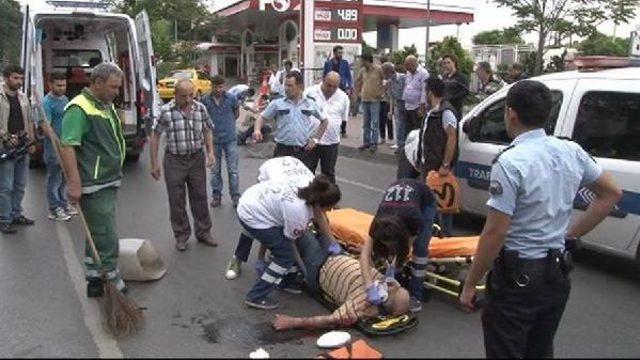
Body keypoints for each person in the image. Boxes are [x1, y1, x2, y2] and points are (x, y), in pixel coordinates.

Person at [459, 80, 622, 358]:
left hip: (516, 280)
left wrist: (471, 283)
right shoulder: (571, 151)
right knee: (540, 350)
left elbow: (495, 233)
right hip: (556, 275)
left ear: (511, 113)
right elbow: (611, 193)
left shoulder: (510, 162)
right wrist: (570, 234)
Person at [59, 63, 126, 296]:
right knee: (106, 233)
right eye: (113, 87)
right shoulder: (79, 108)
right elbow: (68, 146)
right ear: (97, 83)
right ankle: (112, 280)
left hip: (106, 178)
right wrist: (74, 184)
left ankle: (95, 279)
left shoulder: (103, 104)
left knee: (96, 231)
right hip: (94, 181)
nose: (117, 92)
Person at [237, 175, 341, 310]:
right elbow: (291, 243)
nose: (330, 211)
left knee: (287, 253)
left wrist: (334, 244)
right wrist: (304, 270)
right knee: (285, 257)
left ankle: (286, 281)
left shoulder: (311, 190)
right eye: (329, 208)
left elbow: (320, 217)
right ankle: (256, 296)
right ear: (318, 204)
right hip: (252, 214)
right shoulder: (299, 214)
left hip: (257, 199)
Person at [272, 231, 410, 331]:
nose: (391, 284)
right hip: (338, 253)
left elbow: (331, 320)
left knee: (298, 231)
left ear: (384, 298)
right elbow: (372, 267)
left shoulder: (361, 306)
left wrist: (294, 322)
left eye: (392, 288)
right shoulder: (386, 283)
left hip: (318, 266)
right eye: (395, 286)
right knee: (322, 226)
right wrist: (364, 251)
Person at [149, 79, 217, 252]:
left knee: (200, 196)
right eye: (183, 96)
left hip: (196, 158)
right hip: (174, 160)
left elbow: (207, 130)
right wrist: (154, 163)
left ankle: (203, 232)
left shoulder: (200, 108)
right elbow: (155, 136)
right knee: (176, 200)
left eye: (191, 95)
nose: (188, 100)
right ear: (175, 95)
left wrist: (210, 152)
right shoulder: (166, 111)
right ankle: (181, 236)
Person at [225, 156, 314, 280]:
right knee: (258, 221)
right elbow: (277, 226)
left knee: (281, 225)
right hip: (269, 174)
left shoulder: (314, 189)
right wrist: (302, 266)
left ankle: (272, 257)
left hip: (289, 172)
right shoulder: (292, 195)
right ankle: (238, 258)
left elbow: (320, 217)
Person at [359, 179, 437, 313]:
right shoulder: (377, 223)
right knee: (392, 262)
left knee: (420, 249)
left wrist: (394, 265)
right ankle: (397, 280)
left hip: (425, 201)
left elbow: (405, 249)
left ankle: (416, 294)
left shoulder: (414, 220)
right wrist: (368, 286)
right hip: (398, 201)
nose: (388, 246)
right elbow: (364, 255)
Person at [252, 71, 328, 170]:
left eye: (290, 85)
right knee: (280, 182)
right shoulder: (277, 104)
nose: (286, 88)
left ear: (300, 86)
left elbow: (324, 121)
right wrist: (257, 130)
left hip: (303, 152)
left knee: (303, 184)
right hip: (282, 151)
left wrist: (315, 139)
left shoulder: (310, 103)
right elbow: (262, 117)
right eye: (285, 85)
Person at [417, 77, 458, 237]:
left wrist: (446, 164)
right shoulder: (432, 111)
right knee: (430, 204)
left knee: (444, 204)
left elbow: (452, 137)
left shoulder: (445, 112)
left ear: (430, 92)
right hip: (428, 164)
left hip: (438, 166)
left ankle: (445, 237)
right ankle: (433, 235)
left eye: (425, 91)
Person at [0, 65, 36, 235]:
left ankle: (16, 214)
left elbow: (29, 120)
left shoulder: (22, 97)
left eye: (21, 78)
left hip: (22, 146)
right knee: (6, 186)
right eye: (15, 78)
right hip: (5, 148)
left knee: (20, 184)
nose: (19, 82)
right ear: (6, 78)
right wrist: (7, 137)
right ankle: (4, 219)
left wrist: (31, 140)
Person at [41, 72, 77, 221]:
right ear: (50, 85)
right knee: (54, 179)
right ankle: (54, 209)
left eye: (64, 85)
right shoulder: (46, 103)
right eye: (59, 85)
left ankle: (63, 203)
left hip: (66, 145)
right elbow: (45, 126)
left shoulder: (65, 99)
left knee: (64, 178)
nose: (62, 88)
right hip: (53, 147)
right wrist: (57, 142)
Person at [303, 71, 350, 184]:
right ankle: (306, 199)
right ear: (323, 80)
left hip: (331, 142)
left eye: (335, 86)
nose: (331, 89)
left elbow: (343, 118)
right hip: (310, 140)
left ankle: (328, 200)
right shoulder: (309, 92)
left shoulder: (343, 97)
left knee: (328, 173)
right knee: (307, 172)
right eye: (329, 85)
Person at [201, 76, 241, 208]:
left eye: (221, 87)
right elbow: (203, 119)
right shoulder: (205, 100)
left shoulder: (231, 98)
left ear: (224, 86)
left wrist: (227, 123)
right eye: (216, 87)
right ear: (211, 86)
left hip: (230, 138)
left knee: (233, 170)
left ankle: (235, 196)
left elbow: (236, 113)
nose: (218, 90)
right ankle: (216, 196)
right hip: (213, 140)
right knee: (215, 171)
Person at [355, 53, 384, 153]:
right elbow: (358, 81)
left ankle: (374, 143)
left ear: (367, 60)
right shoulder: (363, 70)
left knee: (374, 123)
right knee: (365, 123)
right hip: (365, 99)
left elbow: (385, 81)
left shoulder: (378, 69)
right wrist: (358, 92)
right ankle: (366, 142)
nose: (361, 63)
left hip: (375, 100)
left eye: (362, 60)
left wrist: (381, 93)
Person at [323, 45, 353, 136]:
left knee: (343, 108)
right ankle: (329, 127)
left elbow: (348, 76)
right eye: (339, 53)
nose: (341, 55)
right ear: (334, 53)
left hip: (342, 87)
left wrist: (349, 87)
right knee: (330, 108)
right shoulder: (328, 63)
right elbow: (324, 75)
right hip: (331, 88)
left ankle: (343, 130)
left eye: (342, 53)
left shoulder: (345, 63)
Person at [402, 55, 429, 135]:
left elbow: (424, 91)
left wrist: (421, 107)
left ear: (413, 64)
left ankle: (416, 146)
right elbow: (406, 86)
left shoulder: (423, 73)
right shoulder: (408, 72)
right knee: (407, 129)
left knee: (416, 130)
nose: (405, 67)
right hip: (407, 106)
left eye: (407, 65)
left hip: (417, 107)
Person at [382, 62, 405, 151]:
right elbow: (391, 96)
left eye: (384, 72)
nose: (383, 75)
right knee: (398, 124)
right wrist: (390, 111)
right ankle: (399, 143)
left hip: (405, 103)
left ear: (389, 72)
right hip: (397, 103)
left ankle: (403, 143)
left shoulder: (403, 78)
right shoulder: (389, 82)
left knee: (404, 124)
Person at [441, 54, 470, 119]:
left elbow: (466, 91)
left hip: (455, 109)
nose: (446, 65)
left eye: (448, 63)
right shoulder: (444, 77)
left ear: (454, 63)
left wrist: (451, 98)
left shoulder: (460, 77)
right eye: (444, 63)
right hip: (444, 109)